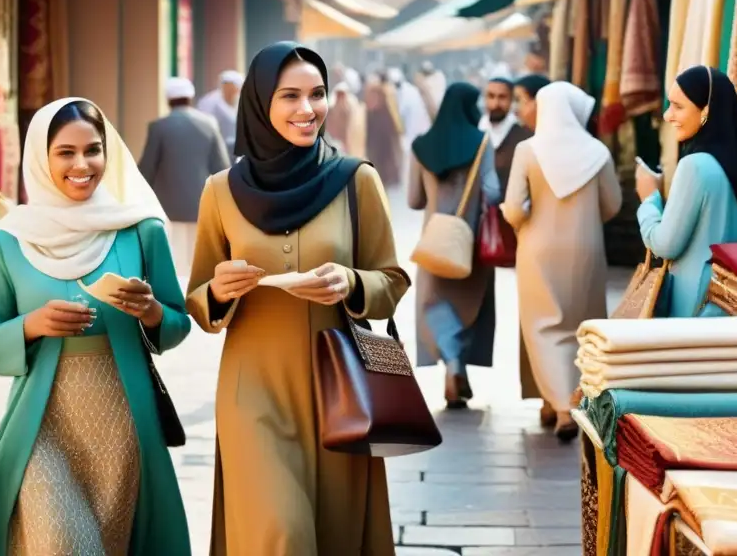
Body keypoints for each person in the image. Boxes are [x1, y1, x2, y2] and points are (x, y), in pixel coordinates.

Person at [186, 42, 409, 555]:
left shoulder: (356, 181)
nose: (307, 109)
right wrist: (218, 291)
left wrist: (351, 283)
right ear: (261, 102)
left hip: (339, 388)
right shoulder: (220, 192)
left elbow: (392, 281)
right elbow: (197, 299)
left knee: (332, 532)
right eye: (290, 96)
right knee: (280, 533)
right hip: (253, 389)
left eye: (317, 94)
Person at [0, 98, 192, 555]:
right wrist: (31, 325)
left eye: (93, 150)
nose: (83, 164)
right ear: (41, 157)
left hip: (123, 426)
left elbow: (178, 325)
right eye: (65, 152)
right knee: (64, 544)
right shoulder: (12, 238)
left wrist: (151, 311)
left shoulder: (140, 231)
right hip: (41, 423)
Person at [502, 82, 622, 441]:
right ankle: (566, 398)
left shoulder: (528, 150)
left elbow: (512, 208)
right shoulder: (597, 151)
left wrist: (524, 221)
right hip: (586, 247)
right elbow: (613, 203)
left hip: (537, 249)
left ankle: (559, 406)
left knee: (544, 327)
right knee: (580, 325)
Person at [636, 65, 737, 317]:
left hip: (695, 308)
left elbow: (665, 245)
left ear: (706, 112)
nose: (667, 115)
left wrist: (648, 199)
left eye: (678, 106)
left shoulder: (694, 166)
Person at [408, 82, 501, 408]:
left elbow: (413, 199)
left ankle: (451, 365)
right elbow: (493, 191)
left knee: (437, 308)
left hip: (433, 243)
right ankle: (458, 366)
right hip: (470, 242)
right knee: (469, 308)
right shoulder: (481, 143)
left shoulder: (420, 146)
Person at [478, 76, 544, 420]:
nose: (496, 103)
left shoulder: (524, 138)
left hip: (521, 231)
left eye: (503, 97)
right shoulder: (476, 133)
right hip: (481, 233)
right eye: (491, 96)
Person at [139, 77, 230, 281]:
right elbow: (221, 167)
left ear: (168, 100)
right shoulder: (209, 124)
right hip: (202, 203)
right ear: (190, 98)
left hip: (168, 207)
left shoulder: (159, 127)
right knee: (198, 260)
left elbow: (147, 168)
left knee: (175, 260)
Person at [363, 73, 405, 187]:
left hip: (385, 155)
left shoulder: (387, 115)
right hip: (372, 154)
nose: (373, 98)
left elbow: (395, 135)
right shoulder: (365, 114)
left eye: (376, 95)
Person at [198, 69, 244, 153]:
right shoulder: (209, 101)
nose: (238, 90)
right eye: (236, 87)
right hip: (216, 148)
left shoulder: (239, 101)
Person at [326, 81, 367, 157]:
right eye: (339, 95)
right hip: (334, 142)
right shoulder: (331, 109)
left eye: (342, 95)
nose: (341, 97)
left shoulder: (352, 109)